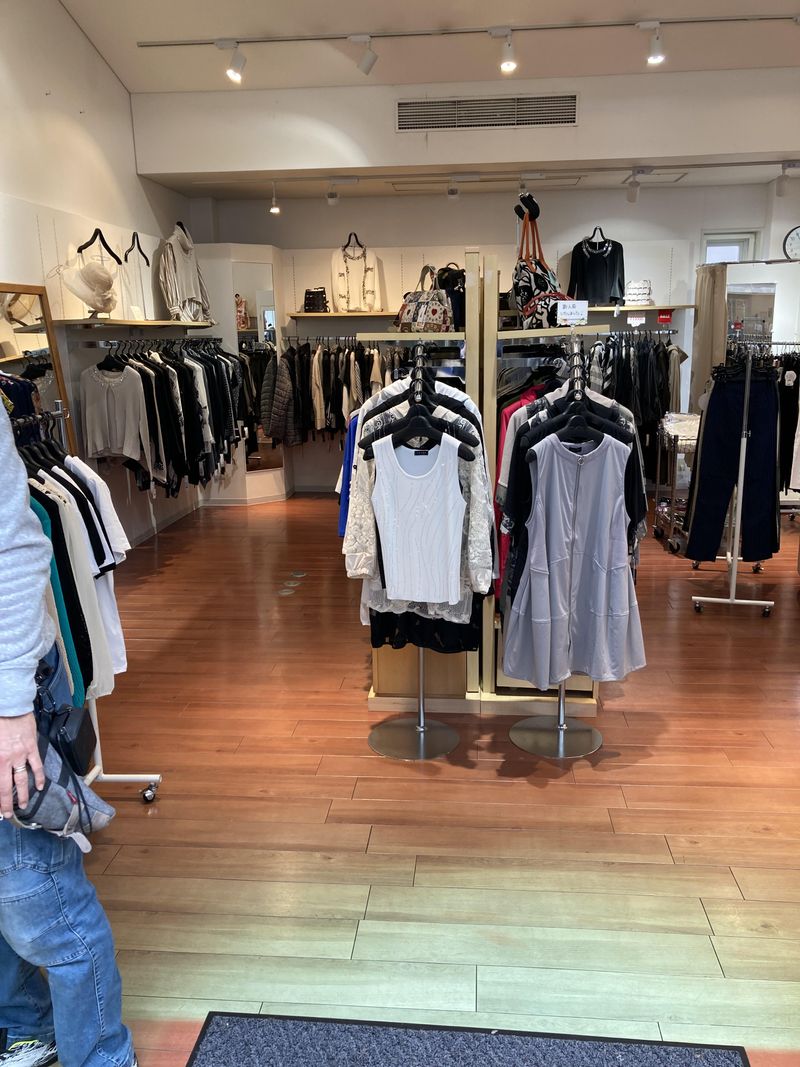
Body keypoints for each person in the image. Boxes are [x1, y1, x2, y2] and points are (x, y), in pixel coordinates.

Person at [0, 407, 137, 1067]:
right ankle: (26, 1028)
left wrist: (10, 713)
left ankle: (103, 1057)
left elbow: (13, 549)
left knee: (39, 899)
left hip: (6, 696)